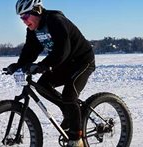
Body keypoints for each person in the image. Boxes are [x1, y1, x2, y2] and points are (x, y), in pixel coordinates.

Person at [6, 0, 96, 146]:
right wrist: (18, 65)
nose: (24, 21)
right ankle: (69, 112)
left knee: (69, 95)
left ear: (37, 10)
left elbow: (63, 49)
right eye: (21, 18)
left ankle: (76, 138)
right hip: (64, 63)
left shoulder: (56, 21)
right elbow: (30, 50)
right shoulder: (33, 30)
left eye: (26, 16)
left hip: (82, 61)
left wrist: (43, 65)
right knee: (43, 85)